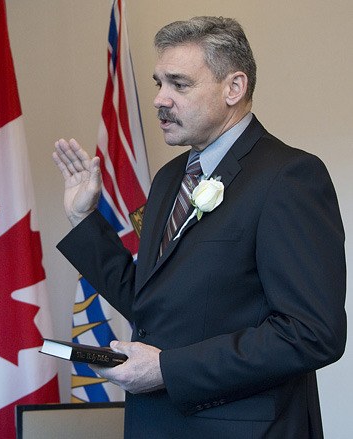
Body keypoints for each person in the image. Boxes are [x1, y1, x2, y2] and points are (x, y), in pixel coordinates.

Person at [53, 16, 346, 438]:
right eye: (158, 83)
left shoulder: (290, 176)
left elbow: (313, 334)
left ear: (234, 88)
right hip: (156, 424)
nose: (159, 99)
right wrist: (83, 219)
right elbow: (150, 306)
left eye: (179, 84)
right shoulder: (170, 178)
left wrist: (166, 369)